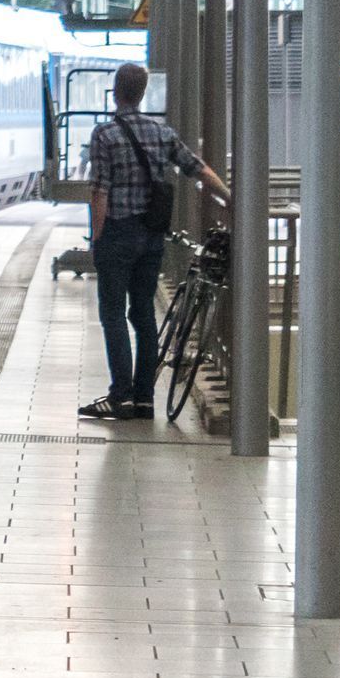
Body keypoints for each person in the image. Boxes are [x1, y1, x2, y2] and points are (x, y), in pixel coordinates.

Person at [82, 62, 230, 420]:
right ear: (143, 92)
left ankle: (121, 396)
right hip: (151, 237)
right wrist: (231, 199)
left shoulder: (105, 135)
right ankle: (145, 398)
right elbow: (198, 169)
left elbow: (99, 192)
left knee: (114, 315)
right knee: (144, 315)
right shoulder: (161, 133)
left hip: (117, 234)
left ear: (116, 91)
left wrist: (96, 238)